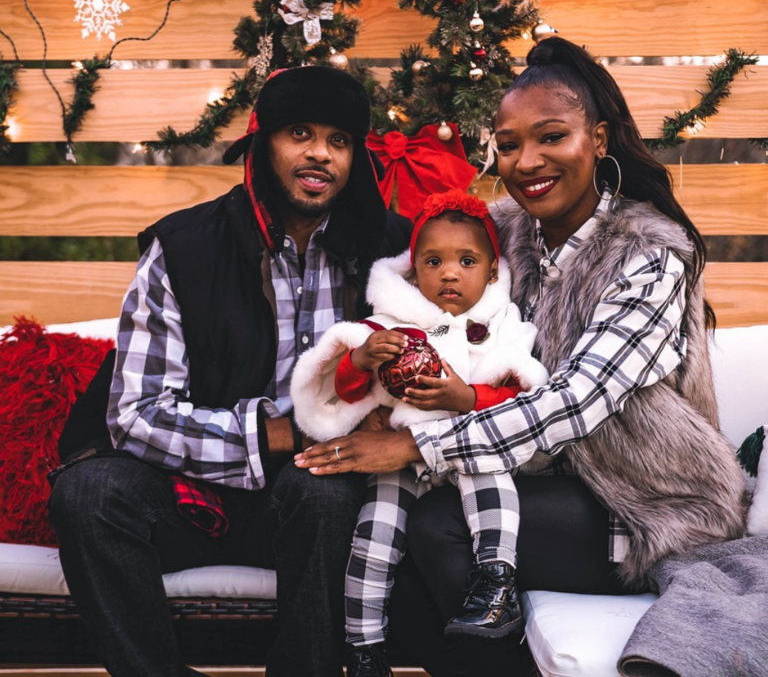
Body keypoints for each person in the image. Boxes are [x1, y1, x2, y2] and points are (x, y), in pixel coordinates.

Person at [294, 37, 746, 676]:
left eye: (552, 137)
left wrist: (419, 446)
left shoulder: (650, 255)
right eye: (507, 145)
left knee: (438, 526)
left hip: (647, 504)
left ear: (599, 139)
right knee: (382, 547)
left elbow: (577, 400)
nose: (527, 160)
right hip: (532, 478)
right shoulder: (501, 232)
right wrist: (377, 386)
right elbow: (408, 279)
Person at [47, 65, 412, 677]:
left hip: (314, 497)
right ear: (262, 141)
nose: (320, 153)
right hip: (188, 495)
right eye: (299, 132)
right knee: (88, 494)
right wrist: (275, 434)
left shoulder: (390, 250)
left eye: (340, 140)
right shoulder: (184, 248)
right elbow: (134, 416)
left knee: (322, 492)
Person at [290, 190, 549, 676]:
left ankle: (496, 579)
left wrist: (468, 398)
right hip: (400, 455)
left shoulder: (505, 328)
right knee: (376, 531)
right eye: (434, 261)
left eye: (466, 261)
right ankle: (364, 647)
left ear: (492, 271)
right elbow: (345, 392)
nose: (449, 273)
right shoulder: (392, 325)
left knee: (490, 477)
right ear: (413, 270)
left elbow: (523, 399)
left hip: (471, 446)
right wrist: (360, 359)